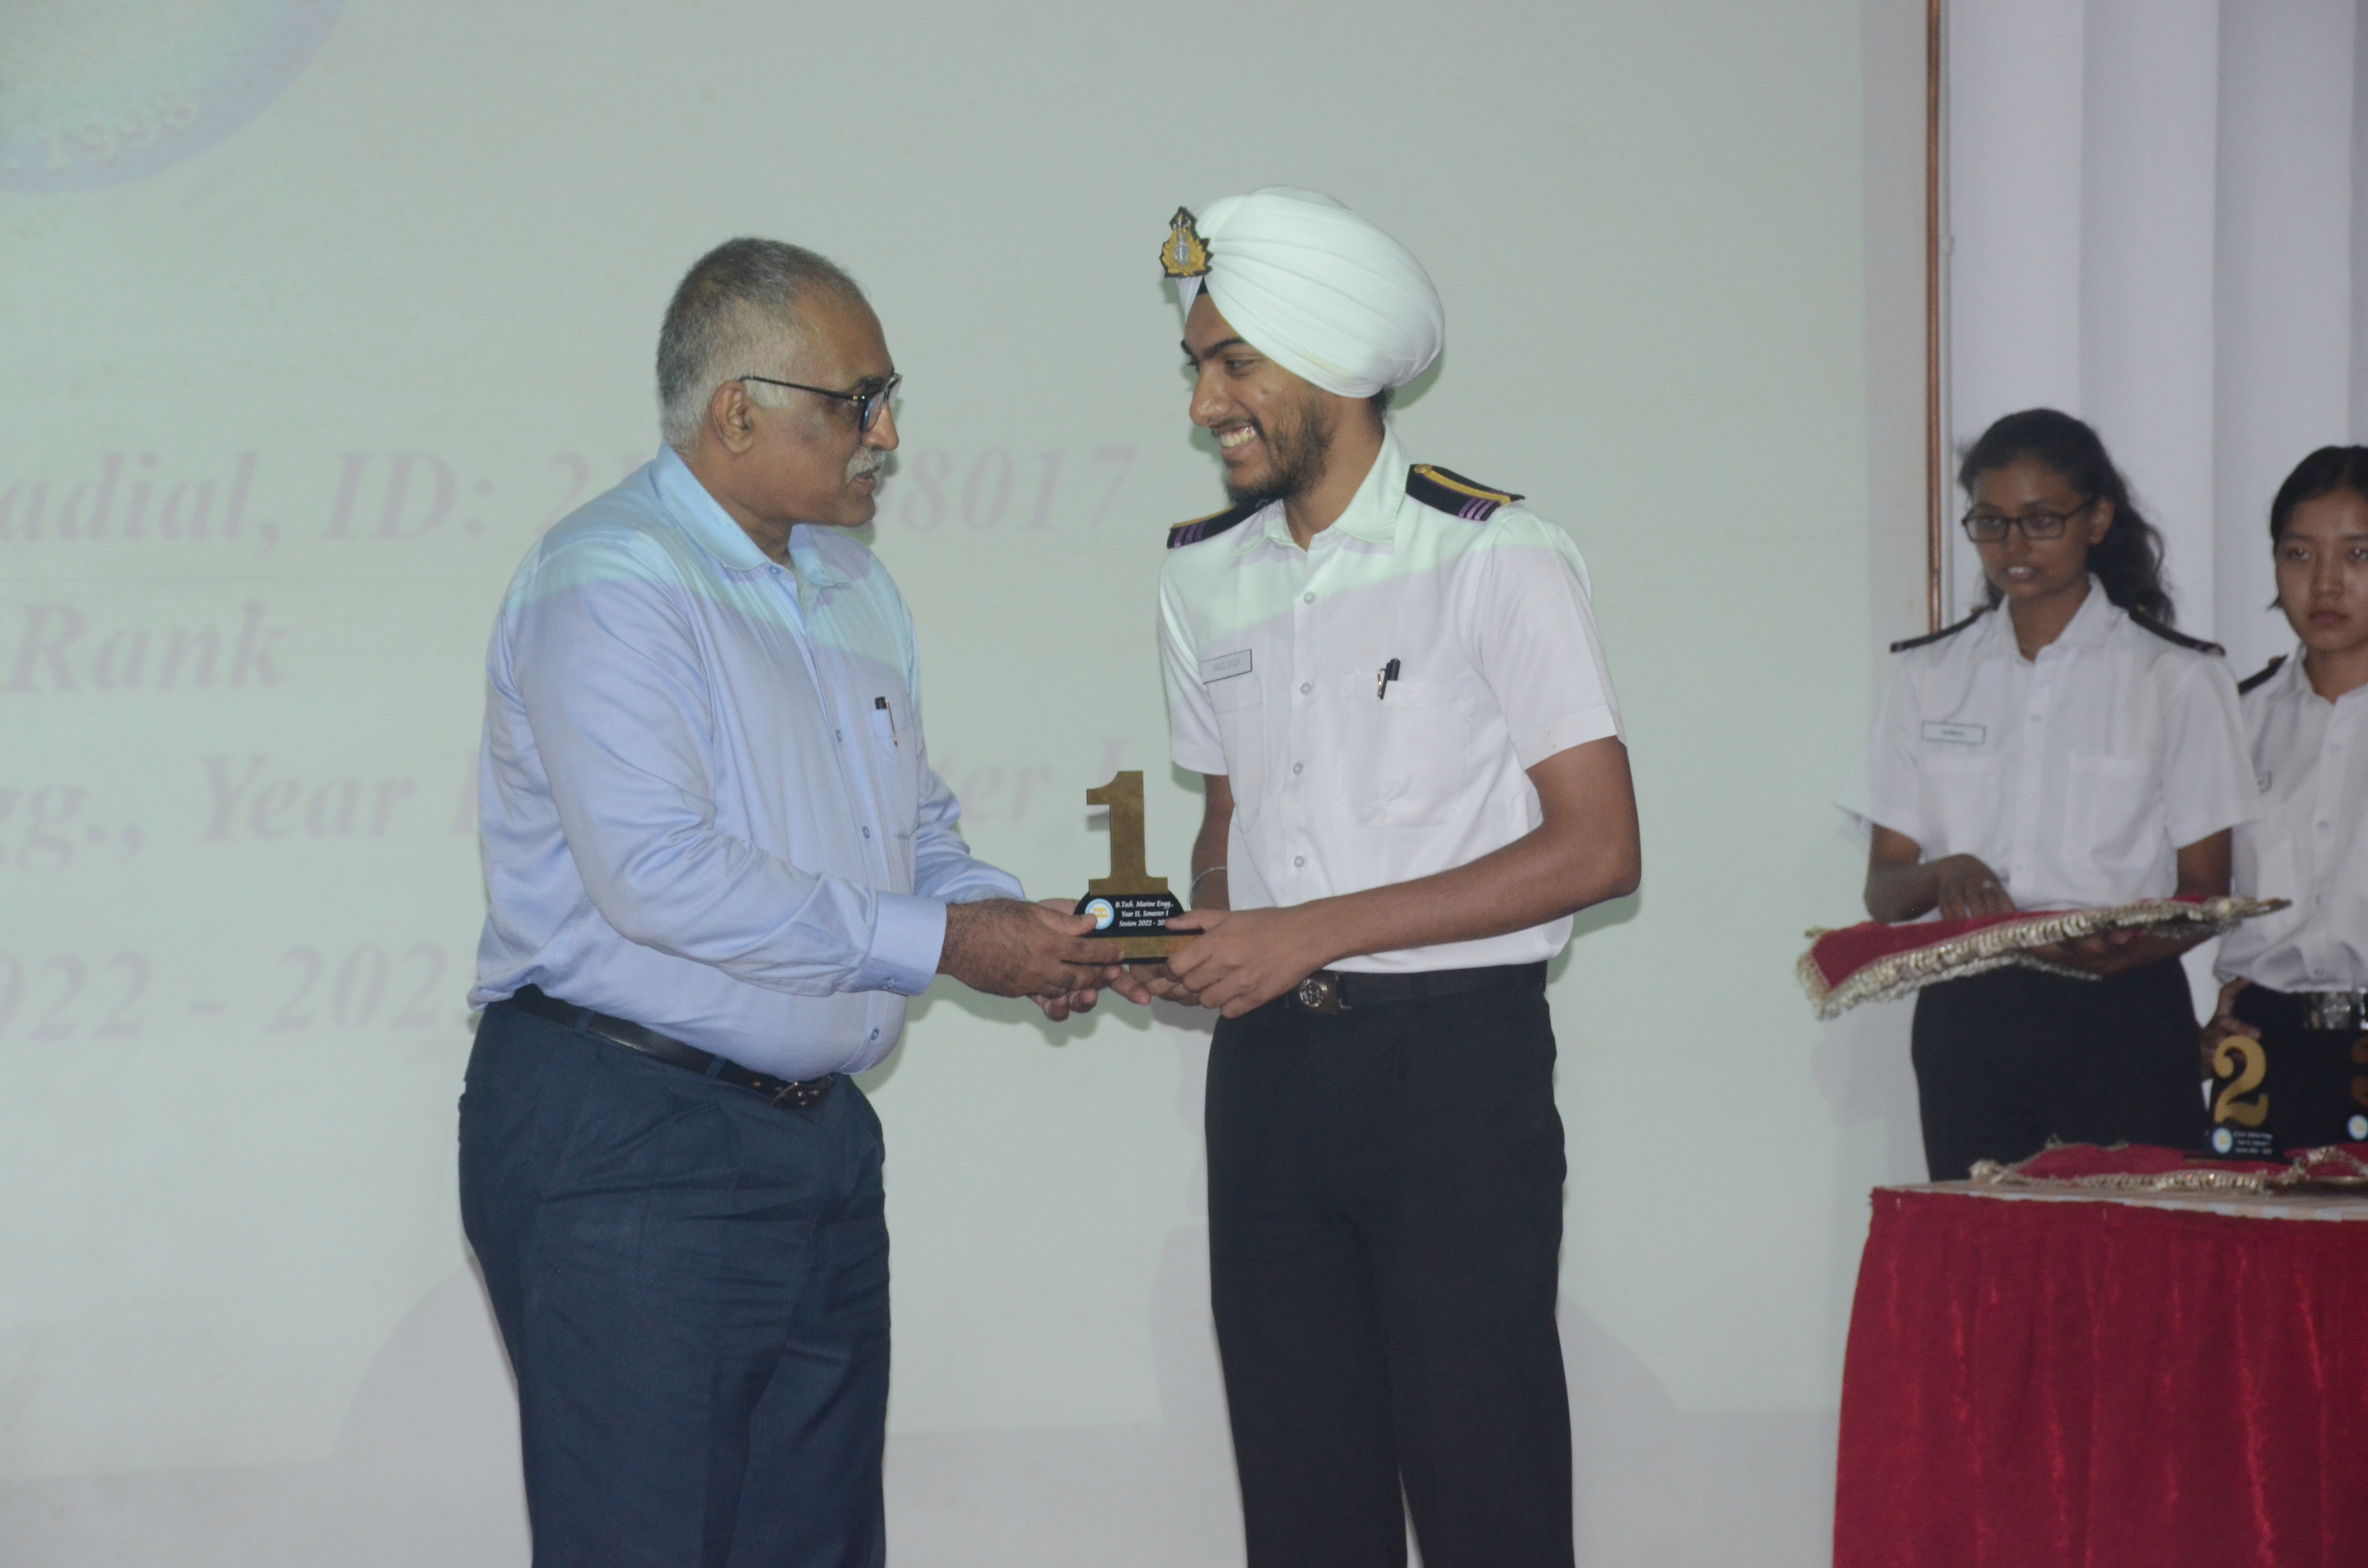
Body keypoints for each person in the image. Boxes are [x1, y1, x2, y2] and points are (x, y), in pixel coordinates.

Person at [457, 238, 1126, 1567]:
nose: (888, 436)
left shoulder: (854, 586)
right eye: (857, 402)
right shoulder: (613, 580)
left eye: (890, 398)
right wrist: (956, 943)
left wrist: (1026, 934)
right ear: (736, 412)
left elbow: (911, 836)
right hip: (631, 1133)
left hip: (817, 1144)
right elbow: (658, 873)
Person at [1142, 189, 1642, 1568]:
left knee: (1486, 1493)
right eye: (1197, 366)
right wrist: (1196, 943)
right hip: (1269, 1080)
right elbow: (1226, 823)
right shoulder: (1200, 579)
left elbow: (1599, 849)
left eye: (1234, 364)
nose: (1205, 404)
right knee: (1301, 1497)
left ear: (1338, 363)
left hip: (1450, 1070)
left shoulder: (1497, 555)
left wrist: (1306, 933)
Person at [1855, 407, 2255, 1181]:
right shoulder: (1928, 676)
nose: (2014, 547)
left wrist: (2119, 957)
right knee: (1984, 1245)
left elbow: (2207, 893)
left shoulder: (2175, 678)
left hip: (2124, 1009)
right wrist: (1945, 874)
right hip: (1969, 1016)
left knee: (2130, 1245)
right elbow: (1884, 890)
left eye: (2041, 521)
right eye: (1991, 523)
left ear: (2097, 520)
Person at [2203, 446, 2368, 1148]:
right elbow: (2184, 898)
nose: (2326, 583)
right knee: (2254, 1223)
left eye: (2358, 555)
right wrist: (2195, 1034)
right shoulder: (2234, 724)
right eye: (2299, 554)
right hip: (2260, 1052)